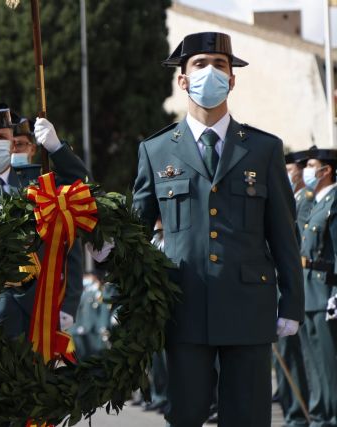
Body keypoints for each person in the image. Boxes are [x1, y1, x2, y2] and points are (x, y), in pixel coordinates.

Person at [132, 32, 304, 427]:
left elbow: (283, 232)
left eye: (220, 64)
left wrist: (291, 302)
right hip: (182, 305)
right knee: (187, 416)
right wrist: (119, 280)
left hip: (248, 307)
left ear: (232, 78)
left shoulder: (263, 149)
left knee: (247, 416)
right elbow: (136, 233)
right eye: (199, 64)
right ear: (182, 79)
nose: (210, 72)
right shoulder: (156, 150)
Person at [0, 103, 90, 427]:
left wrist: (57, 148)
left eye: (3, 136)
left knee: (37, 404)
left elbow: (81, 189)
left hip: (38, 312)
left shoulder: (37, 183)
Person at [298, 147, 337, 427]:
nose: (307, 171)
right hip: (308, 289)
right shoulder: (315, 203)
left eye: (312, 165)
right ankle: (319, 416)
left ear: (327, 170)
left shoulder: (334, 203)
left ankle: (332, 417)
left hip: (326, 291)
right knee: (313, 363)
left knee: (328, 363)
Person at [273, 150, 312, 427]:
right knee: (287, 355)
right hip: (279, 284)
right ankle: (293, 410)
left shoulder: (307, 202)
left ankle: (307, 413)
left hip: (307, 287)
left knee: (306, 359)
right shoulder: (291, 200)